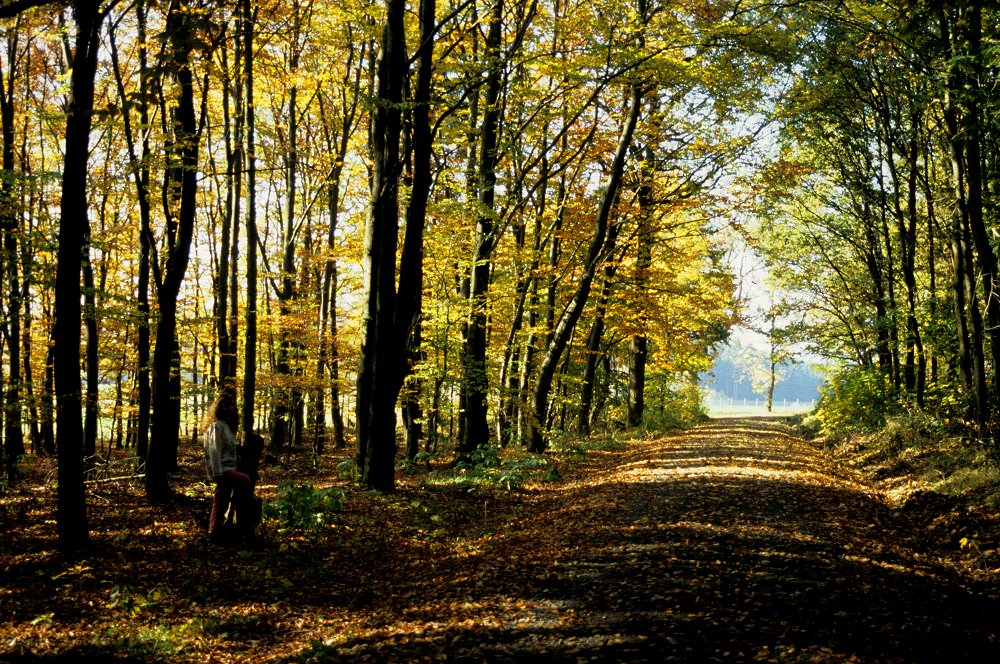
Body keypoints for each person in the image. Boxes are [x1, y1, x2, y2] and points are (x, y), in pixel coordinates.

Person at [203, 390, 253, 543]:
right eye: (225, 406)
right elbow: (214, 450)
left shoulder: (228, 427)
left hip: (230, 468)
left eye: (231, 406)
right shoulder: (216, 427)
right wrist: (217, 472)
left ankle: (217, 529)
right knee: (246, 480)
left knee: (221, 500)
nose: (229, 408)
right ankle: (215, 531)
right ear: (219, 408)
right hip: (223, 470)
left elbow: (229, 449)